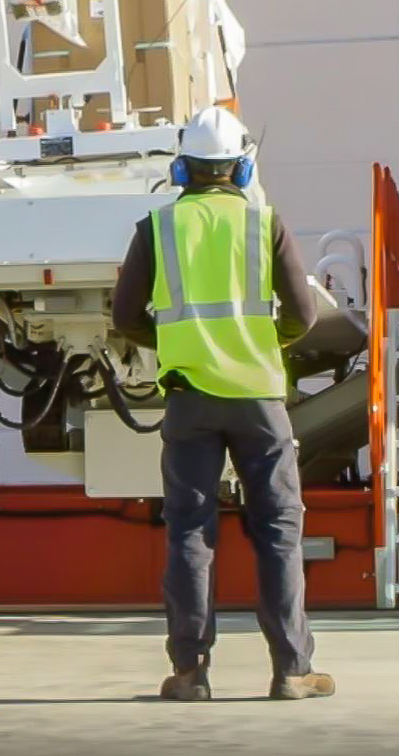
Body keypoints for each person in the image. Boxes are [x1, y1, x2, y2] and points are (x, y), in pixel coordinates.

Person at [112, 107, 337, 702]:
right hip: (259, 399)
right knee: (279, 531)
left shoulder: (157, 228)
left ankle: (190, 673)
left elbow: (125, 317)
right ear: (242, 170)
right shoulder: (266, 223)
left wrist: (180, 343)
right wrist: (259, 343)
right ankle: (292, 670)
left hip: (190, 399)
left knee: (190, 532)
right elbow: (303, 314)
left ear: (181, 168)